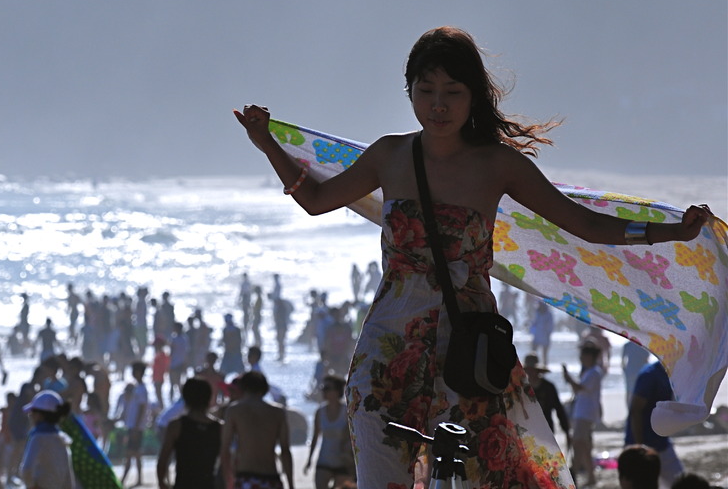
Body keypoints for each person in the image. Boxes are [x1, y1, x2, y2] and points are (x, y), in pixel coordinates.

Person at [234, 26, 711, 489]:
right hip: (387, 348)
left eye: (453, 91)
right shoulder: (390, 156)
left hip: (470, 353)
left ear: (473, 96)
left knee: (490, 477)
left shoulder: (497, 165)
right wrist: (267, 145)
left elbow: (583, 224)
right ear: (410, 92)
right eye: (426, 90)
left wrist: (669, 232)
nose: (438, 104)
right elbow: (317, 200)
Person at [220, 371, 294, 489]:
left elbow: (225, 450)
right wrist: (291, 484)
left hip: (245, 476)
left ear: (242, 388)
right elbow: (285, 450)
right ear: (264, 388)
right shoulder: (278, 412)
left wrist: (228, 481)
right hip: (271, 477)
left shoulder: (234, 411)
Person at [626, 361, 684, 487]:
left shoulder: (671, 374)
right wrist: (640, 446)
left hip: (661, 441)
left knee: (679, 482)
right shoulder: (650, 375)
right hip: (643, 443)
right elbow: (636, 409)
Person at [157, 378, 222, 489]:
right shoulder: (220, 428)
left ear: (185, 398)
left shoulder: (176, 426)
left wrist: (162, 483)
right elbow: (226, 461)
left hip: (183, 484)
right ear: (209, 398)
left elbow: (163, 459)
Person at [564, 341, 605, 487]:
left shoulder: (594, 372)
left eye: (583, 355)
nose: (581, 358)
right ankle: (590, 476)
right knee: (584, 445)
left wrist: (569, 379)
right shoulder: (589, 372)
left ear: (589, 356)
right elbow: (579, 390)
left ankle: (574, 470)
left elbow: (580, 388)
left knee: (578, 442)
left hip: (585, 413)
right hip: (582, 412)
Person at [303, 375, 353, 489]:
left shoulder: (347, 412)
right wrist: (309, 460)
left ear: (337, 391)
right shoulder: (320, 412)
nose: (323, 391)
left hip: (343, 463)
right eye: (323, 388)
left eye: (327, 388)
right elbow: (315, 437)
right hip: (324, 461)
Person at [19, 391, 74, 489]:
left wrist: (32, 486)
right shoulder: (62, 439)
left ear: (40, 415)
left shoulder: (38, 438)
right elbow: (68, 478)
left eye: (32, 412)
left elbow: (26, 469)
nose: (30, 416)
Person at [523, 354, 569, 443]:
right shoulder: (522, 388)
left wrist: (566, 430)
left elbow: (559, 409)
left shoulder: (548, 387)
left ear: (538, 371)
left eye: (532, 370)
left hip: (546, 430)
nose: (530, 372)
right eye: (528, 370)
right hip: (527, 430)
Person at [119, 361, 150, 488]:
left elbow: (142, 408)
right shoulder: (137, 388)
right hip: (133, 425)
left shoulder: (142, 389)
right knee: (136, 454)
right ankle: (139, 479)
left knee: (130, 453)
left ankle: (124, 479)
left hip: (136, 427)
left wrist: (136, 427)